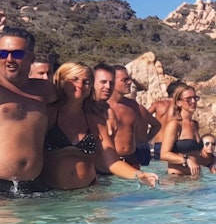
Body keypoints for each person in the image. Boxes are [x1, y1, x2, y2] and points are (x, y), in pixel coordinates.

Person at [41, 62, 159, 190]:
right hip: (53, 194)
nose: (80, 85)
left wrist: (139, 175)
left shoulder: (95, 120)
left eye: (86, 82)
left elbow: (112, 162)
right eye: (74, 79)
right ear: (61, 81)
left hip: (88, 191)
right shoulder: (48, 115)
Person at [0, 27, 52, 194]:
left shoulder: (45, 90)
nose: (9, 59)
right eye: (2, 54)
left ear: (32, 58)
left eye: (17, 54)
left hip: (34, 185)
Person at [112, 64, 162, 167]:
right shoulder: (101, 106)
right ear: (111, 81)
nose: (130, 82)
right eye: (125, 80)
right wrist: (145, 140)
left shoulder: (134, 106)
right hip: (117, 159)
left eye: (129, 79)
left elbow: (157, 125)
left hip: (131, 157)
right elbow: (156, 125)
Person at [159, 85, 214, 177]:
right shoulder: (175, 124)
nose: (193, 101)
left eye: (195, 98)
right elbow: (164, 154)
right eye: (188, 99)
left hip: (194, 180)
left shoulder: (194, 124)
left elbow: (195, 155)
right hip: (177, 180)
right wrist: (186, 160)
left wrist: (209, 164)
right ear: (179, 102)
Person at [148, 80, 186, 161]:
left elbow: (143, 116)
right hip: (173, 143)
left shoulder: (158, 104)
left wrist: (149, 133)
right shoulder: (180, 106)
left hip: (158, 142)